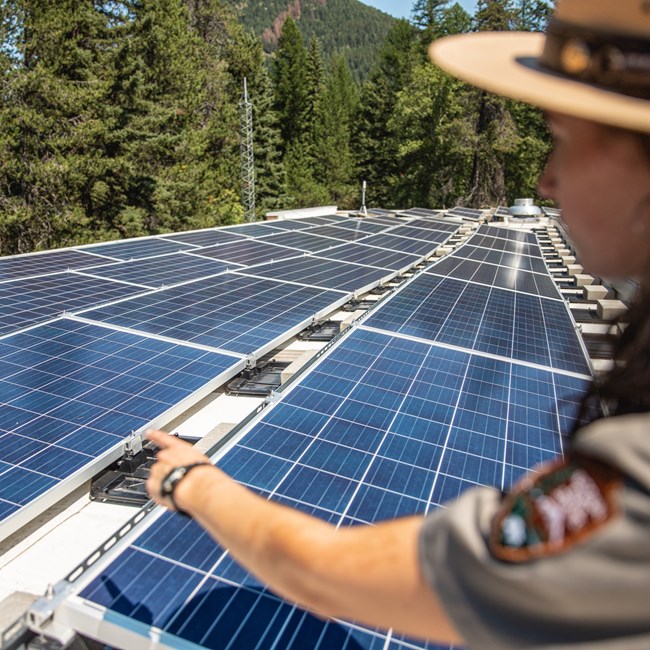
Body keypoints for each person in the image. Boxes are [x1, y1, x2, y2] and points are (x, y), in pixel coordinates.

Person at [147, 0, 650, 646]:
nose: (546, 180)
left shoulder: (630, 497)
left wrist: (195, 482)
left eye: (565, 140)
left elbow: (324, 575)